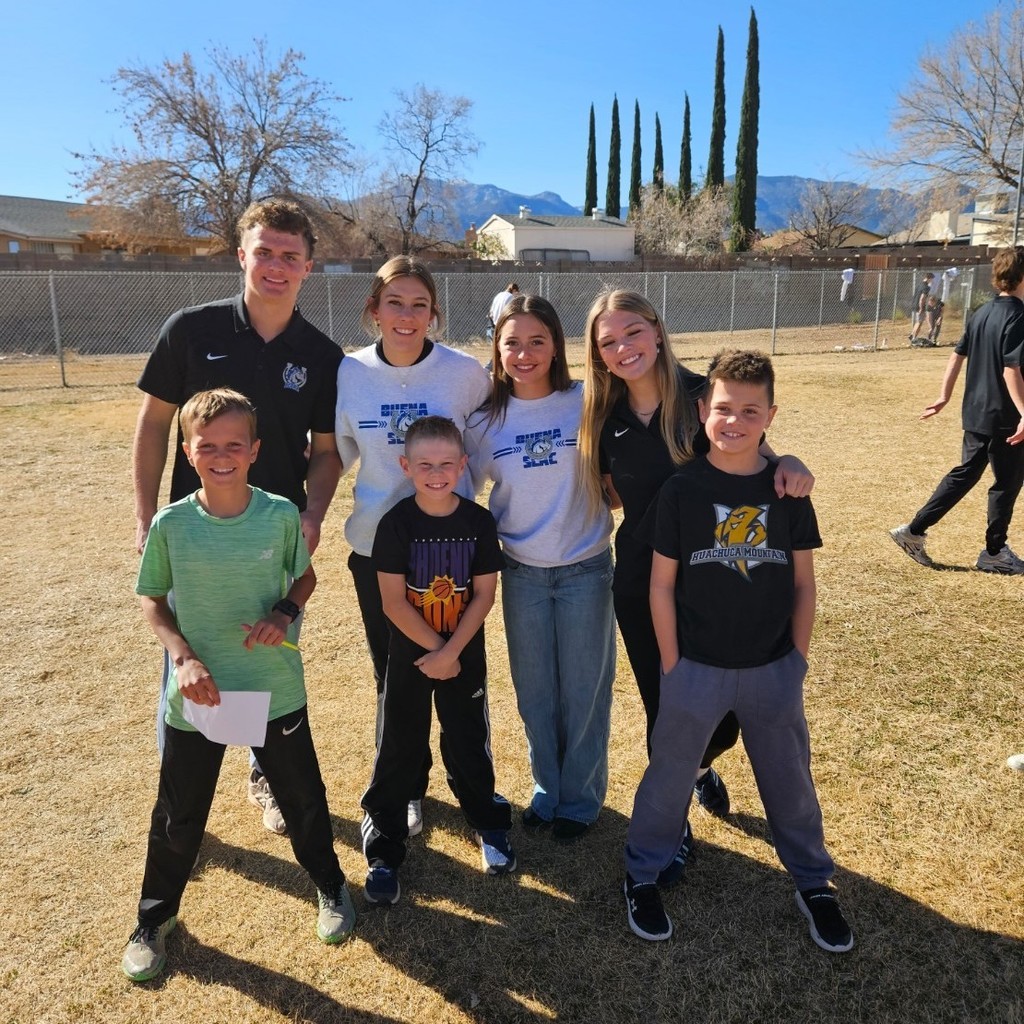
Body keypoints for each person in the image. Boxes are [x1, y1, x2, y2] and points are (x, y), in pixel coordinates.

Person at [622, 350, 853, 954]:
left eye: (750, 410)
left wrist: (796, 659)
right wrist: (672, 664)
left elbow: (803, 582)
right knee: (669, 777)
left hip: (773, 667)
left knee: (790, 781)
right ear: (702, 411)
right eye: (723, 408)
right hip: (695, 667)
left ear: (770, 416)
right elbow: (661, 585)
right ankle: (641, 874)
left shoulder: (787, 491)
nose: (734, 421)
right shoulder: (682, 491)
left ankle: (813, 883)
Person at [123, 389, 354, 983]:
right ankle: (154, 919)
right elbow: (150, 599)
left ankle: (330, 887)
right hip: (199, 696)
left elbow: (304, 578)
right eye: (207, 446)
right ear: (187, 450)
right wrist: (183, 657)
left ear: (254, 450)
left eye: (233, 445)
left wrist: (283, 613)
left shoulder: (279, 514)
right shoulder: (172, 523)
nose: (220, 455)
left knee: (303, 801)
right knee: (179, 816)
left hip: (272, 689)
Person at [576, 289, 815, 866]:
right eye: (608, 342)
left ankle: (702, 763)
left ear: (656, 330)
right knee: (667, 705)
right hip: (643, 582)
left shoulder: (700, 394)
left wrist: (787, 462)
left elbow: (746, 441)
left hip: (716, 580)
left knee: (726, 720)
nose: (623, 348)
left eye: (632, 332)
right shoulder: (602, 417)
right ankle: (673, 817)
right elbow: (612, 493)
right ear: (599, 354)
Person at [132, 197, 343, 836]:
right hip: (197, 533)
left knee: (263, 649)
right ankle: (179, 808)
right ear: (241, 255)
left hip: (269, 538)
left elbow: (328, 455)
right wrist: (147, 520)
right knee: (187, 657)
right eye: (265, 252)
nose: (276, 266)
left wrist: (310, 516)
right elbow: (152, 428)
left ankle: (265, 774)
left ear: (308, 267)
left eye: (290, 256)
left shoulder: (322, 354)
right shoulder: (190, 330)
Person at [336, 257, 491, 838]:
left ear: (435, 313)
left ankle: (473, 785)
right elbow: (335, 451)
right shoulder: (349, 373)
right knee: (395, 678)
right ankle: (406, 789)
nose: (406, 315)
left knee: (455, 667)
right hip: (380, 553)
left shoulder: (465, 373)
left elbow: (492, 437)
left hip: (453, 551)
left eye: (419, 304)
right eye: (393, 302)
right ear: (373, 310)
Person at [466, 295, 616, 843]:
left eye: (537, 341)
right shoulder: (484, 422)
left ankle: (578, 800)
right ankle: (547, 792)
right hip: (522, 572)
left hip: (586, 568)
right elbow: (459, 491)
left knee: (584, 690)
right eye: (512, 343)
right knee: (534, 692)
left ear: (556, 345)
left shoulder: (588, 400)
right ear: (497, 350)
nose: (524, 353)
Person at [361, 416, 513, 905]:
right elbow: (392, 602)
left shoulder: (477, 522)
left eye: (447, 463)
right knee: (401, 741)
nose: (436, 472)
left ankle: (486, 822)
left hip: (462, 653)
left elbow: (485, 595)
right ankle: (385, 845)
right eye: (424, 464)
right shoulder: (396, 524)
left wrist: (452, 653)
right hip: (411, 656)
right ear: (406, 466)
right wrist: (435, 650)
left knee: (468, 736)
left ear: (463, 465)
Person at [890, 247, 1024, 574]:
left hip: (977, 412)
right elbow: (1011, 369)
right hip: (1004, 417)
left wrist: (944, 395)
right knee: (1006, 483)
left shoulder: (982, 312)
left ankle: (913, 531)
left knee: (966, 474)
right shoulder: (1019, 316)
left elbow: (956, 355)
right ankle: (994, 552)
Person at [908, 271, 935, 344]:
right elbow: (922, 298)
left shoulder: (919, 285)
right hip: (919, 306)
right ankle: (914, 338)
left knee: (918, 321)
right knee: (919, 322)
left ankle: (912, 335)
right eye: (932, 279)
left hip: (914, 304)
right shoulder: (926, 287)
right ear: (929, 279)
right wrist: (921, 308)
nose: (932, 281)